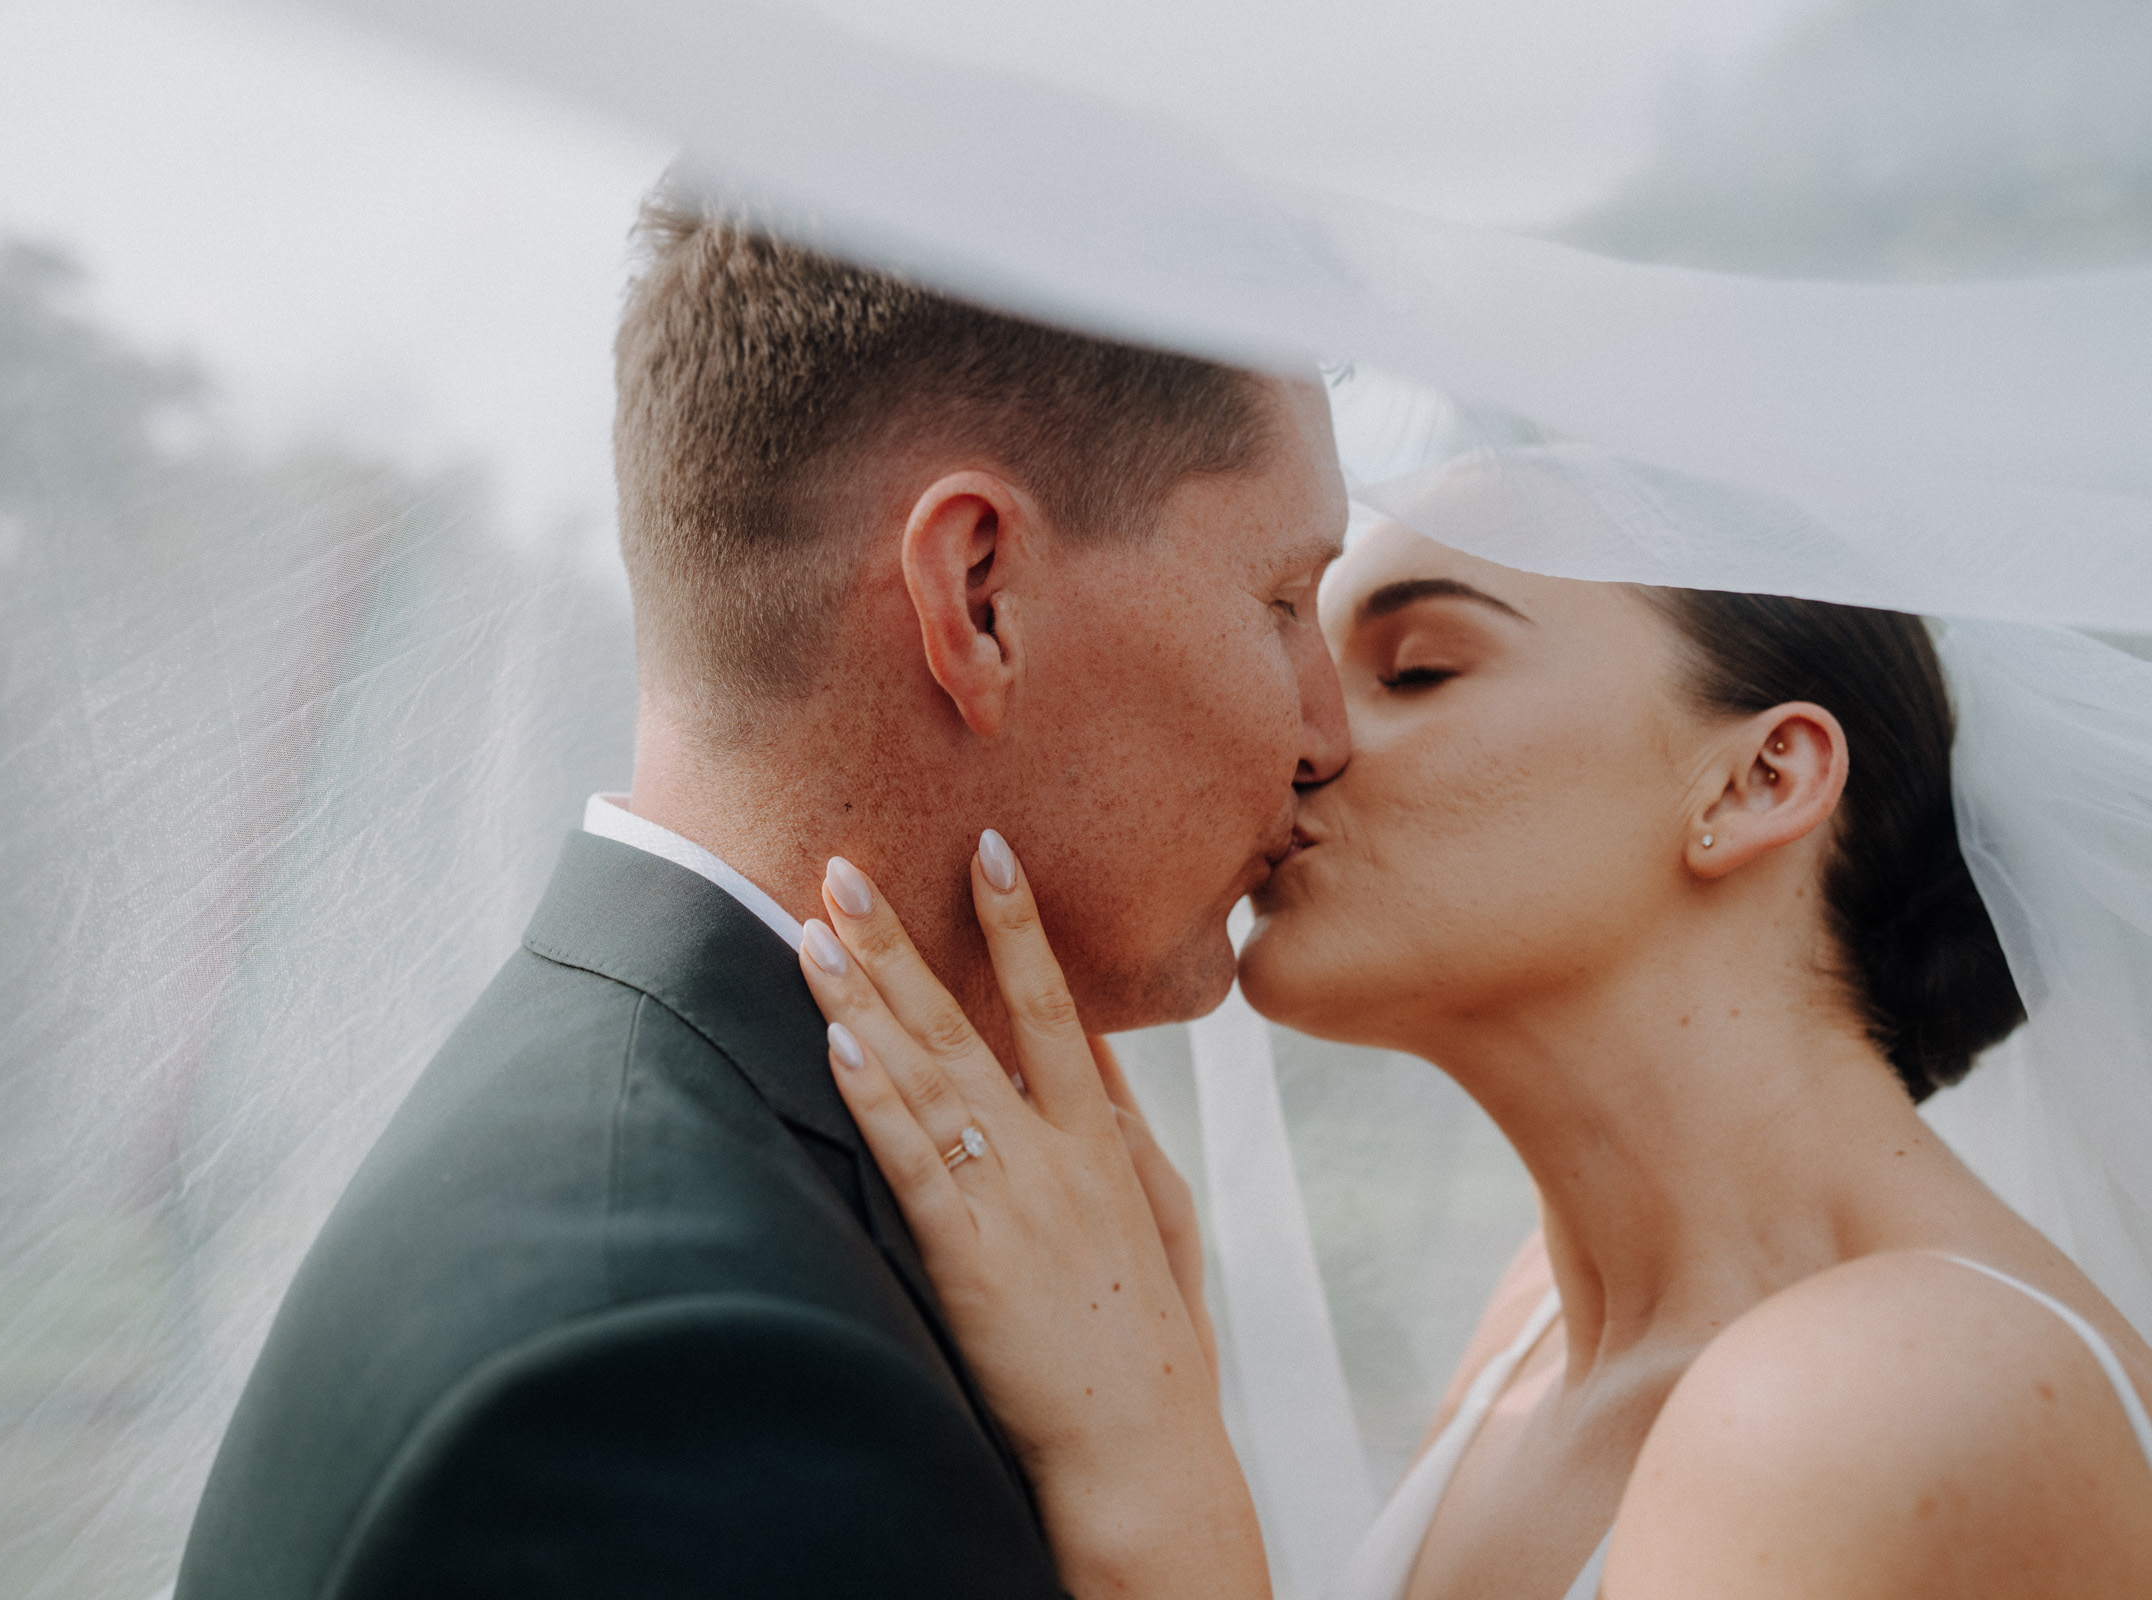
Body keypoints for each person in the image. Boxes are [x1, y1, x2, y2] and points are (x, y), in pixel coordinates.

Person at [172, 182, 1349, 1598]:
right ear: (978, 597)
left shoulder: (670, 1155)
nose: (1326, 735)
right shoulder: (692, 1370)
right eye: (1284, 602)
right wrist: (1177, 1526)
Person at [796, 523, 2152, 1599]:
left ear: (1762, 781)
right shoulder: (1539, 1334)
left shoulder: (1891, 1399)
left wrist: (1151, 1476)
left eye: (1420, 668)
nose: (1299, 741)